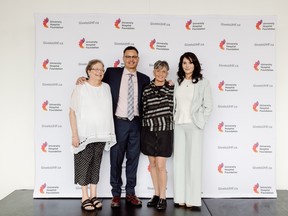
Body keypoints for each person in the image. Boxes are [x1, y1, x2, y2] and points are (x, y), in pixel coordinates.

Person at [76, 46, 150, 207]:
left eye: (134, 57)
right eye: (128, 56)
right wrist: (82, 78)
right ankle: (116, 194)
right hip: (117, 123)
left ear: (138, 59)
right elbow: (95, 80)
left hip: (136, 124)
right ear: (123, 58)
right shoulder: (111, 73)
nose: (131, 59)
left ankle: (131, 193)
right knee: (115, 159)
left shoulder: (145, 79)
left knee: (133, 160)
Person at [69, 59, 116, 211]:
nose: (100, 72)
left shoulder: (107, 87)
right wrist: (74, 135)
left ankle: (94, 195)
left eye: (102, 69)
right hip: (85, 135)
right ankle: (84, 197)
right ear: (88, 71)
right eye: (96, 69)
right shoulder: (80, 87)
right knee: (83, 166)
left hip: (101, 134)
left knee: (96, 165)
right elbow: (72, 112)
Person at [173, 52, 213, 209]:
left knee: (193, 163)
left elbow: (208, 105)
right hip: (178, 125)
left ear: (195, 64)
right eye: (184, 63)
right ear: (181, 65)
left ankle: (193, 199)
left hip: (194, 126)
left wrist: (200, 122)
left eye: (190, 62)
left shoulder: (203, 83)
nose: (187, 66)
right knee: (179, 163)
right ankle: (180, 198)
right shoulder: (178, 82)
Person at [140, 60, 174, 210]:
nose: (160, 74)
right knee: (152, 164)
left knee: (161, 165)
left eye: (164, 72)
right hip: (148, 130)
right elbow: (143, 109)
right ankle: (156, 193)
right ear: (154, 72)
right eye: (158, 71)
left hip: (165, 130)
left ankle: (163, 197)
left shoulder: (172, 88)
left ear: (167, 73)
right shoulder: (146, 89)